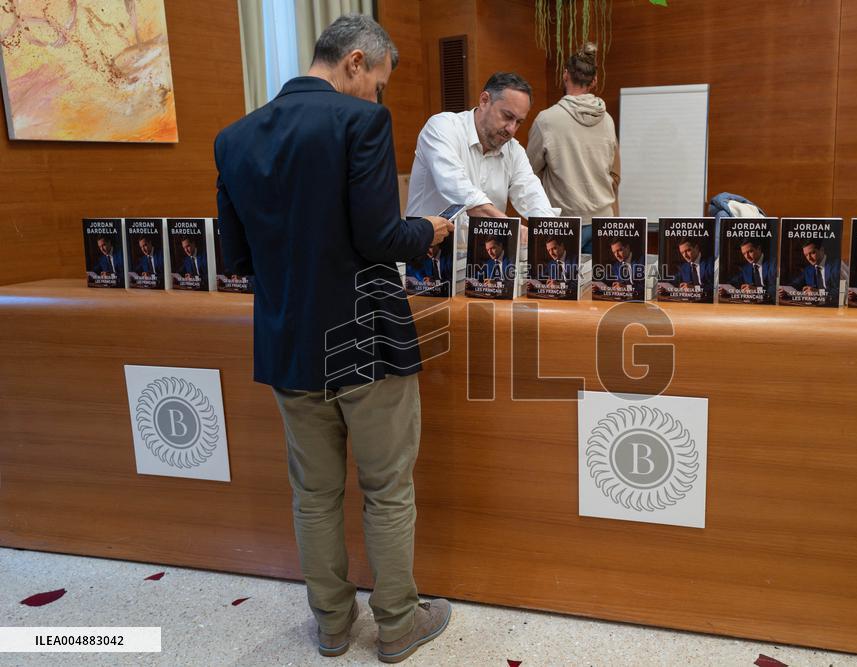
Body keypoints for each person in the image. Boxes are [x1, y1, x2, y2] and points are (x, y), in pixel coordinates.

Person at [213, 14, 454, 663]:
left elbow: (236, 256)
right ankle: (397, 625)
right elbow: (380, 237)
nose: (379, 95)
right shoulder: (361, 122)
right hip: (366, 338)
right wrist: (428, 230)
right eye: (379, 81)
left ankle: (331, 624)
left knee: (314, 495)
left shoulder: (233, 138)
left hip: (288, 344)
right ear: (354, 62)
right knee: (387, 489)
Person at [405, 72, 557, 225]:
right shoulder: (443, 127)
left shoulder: (514, 151)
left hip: (482, 242)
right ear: (484, 101)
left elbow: (532, 196)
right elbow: (459, 190)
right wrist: (510, 228)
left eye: (518, 122)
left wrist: (548, 229)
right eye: (507, 116)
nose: (511, 129)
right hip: (428, 240)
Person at [526, 42, 620, 253]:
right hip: (604, 221)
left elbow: (527, 171)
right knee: (598, 276)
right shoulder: (607, 120)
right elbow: (613, 171)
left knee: (560, 275)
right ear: (594, 81)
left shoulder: (546, 120)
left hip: (563, 223)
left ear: (565, 74)